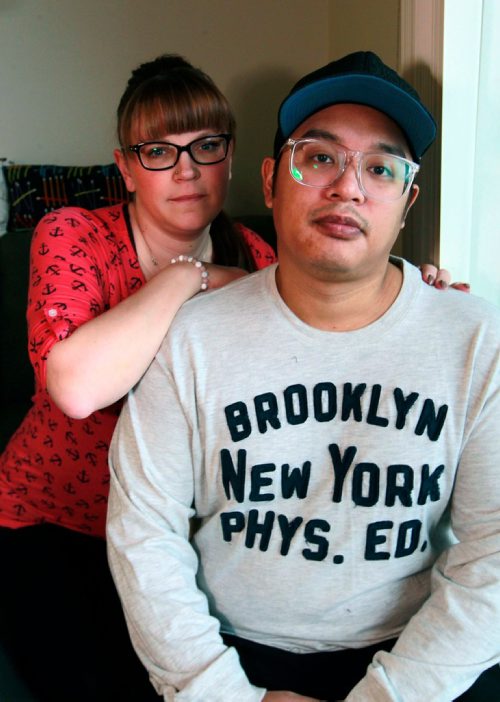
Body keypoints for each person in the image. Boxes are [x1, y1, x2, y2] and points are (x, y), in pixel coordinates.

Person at [107, 51, 500, 702]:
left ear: (408, 200)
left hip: (414, 653)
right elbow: (144, 532)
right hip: (230, 653)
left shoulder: (479, 342)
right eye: (319, 157)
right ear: (269, 181)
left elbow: (493, 552)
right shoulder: (192, 337)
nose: (348, 187)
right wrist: (226, 695)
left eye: (380, 168)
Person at [0, 54, 276, 702]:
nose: (186, 170)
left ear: (230, 157)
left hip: (182, 536)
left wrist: (419, 293)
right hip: (57, 523)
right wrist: (190, 277)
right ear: (124, 166)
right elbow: (73, 388)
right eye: (159, 150)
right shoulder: (71, 235)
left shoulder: (261, 258)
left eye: (205, 146)